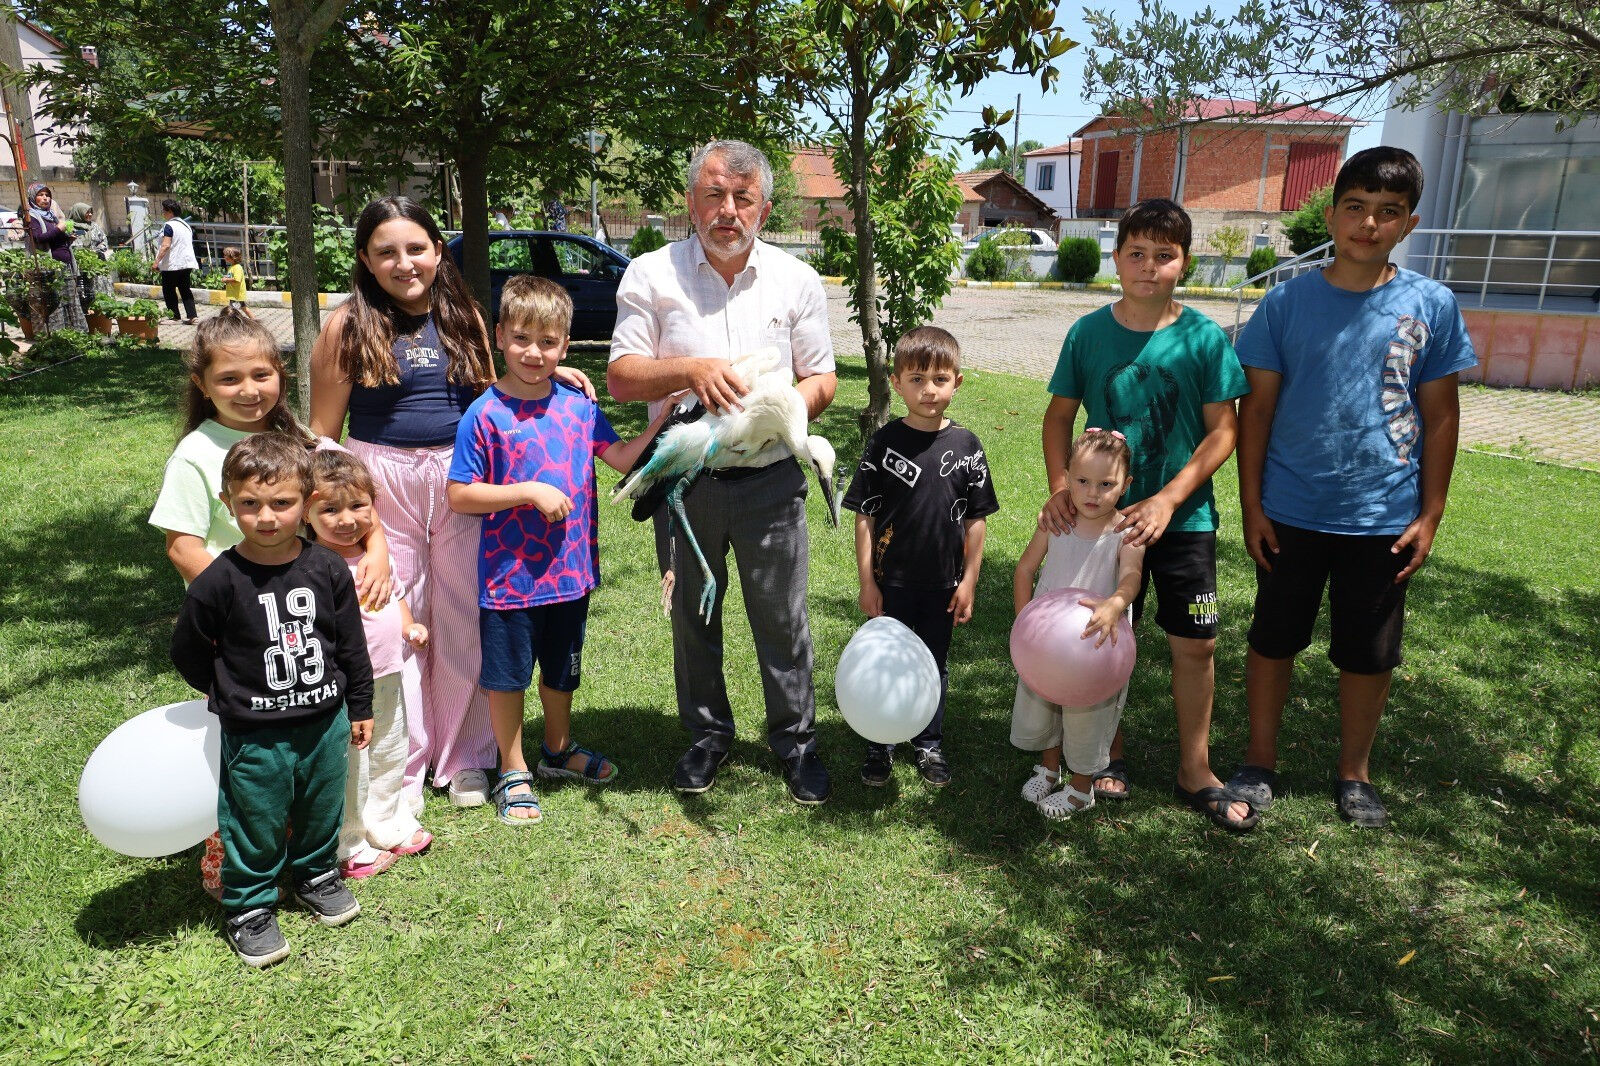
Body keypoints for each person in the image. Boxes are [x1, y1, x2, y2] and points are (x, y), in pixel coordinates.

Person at [309, 196, 593, 812]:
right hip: (381, 477)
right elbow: (323, 436)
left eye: (416, 248)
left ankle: (468, 755)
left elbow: (491, 392)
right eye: (386, 251)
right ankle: (401, 762)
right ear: (365, 259)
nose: (404, 262)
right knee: (394, 616)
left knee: (463, 614)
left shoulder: (462, 313)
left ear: (439, 251)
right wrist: (352, 521)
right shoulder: (345, 327)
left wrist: (551, 376)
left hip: (460, 479)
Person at [1228, 147, 1476, 828]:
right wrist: (1252, 506)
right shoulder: (1286, 303)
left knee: (1368, 653)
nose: (1369, 223)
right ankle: (1258, 759)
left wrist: (1431, 512)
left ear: (1409, 222)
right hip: (1290, 509)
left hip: (1383, 518)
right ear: (1333, 213)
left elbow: (1442, 416)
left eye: (1387, 212)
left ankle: (1355, 774)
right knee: (1274, 639)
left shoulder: (1431, 304)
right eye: (1356, 207)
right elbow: (1258, 413)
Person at [607, 139, 838, 805]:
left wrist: (784, 410)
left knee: (782, 621)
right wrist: (689, 371)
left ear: (765, 208)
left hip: (770, 482)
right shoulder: (651, 275)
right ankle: (707, 736)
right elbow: (622, 376)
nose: (727, 210)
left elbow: (821, 378)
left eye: (742, 198)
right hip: (688, 486)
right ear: (690, 202)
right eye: (714, 195)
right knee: (691, 619)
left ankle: (796, 744)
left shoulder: (796, 281)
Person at [150, 308, 391, 897]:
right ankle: (230, 870)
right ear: (203, 386)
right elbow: (182, 546)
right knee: (246, 762)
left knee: (304, 755)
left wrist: (379, 546)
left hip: (301, 633)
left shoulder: (298, 443)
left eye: (261, 374)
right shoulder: (195, 454)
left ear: (280, 374)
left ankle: (304, 861)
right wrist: (243, 606)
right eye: (229, 379)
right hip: (237, 636)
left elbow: (349, 493)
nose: (248, 390)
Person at [1040, 197, 1254, 831]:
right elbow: (1058, 417)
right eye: (1137, 253)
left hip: (1183, 522)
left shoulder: (1204, 338)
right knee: (1103, 637)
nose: (1149, 266)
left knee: (1197, 642)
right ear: (1116, 257)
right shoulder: (1088, 333)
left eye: (1165, 255)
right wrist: (1062, 486)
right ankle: (1106, 751)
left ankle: (1196, 767)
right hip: (1102, 524)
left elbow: (1224, 432)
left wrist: (1166, 499)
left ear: (1184, 263)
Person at [447, 276, 668, 825]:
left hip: (570, 575)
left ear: (565, 347)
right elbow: (459, 494)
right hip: (509, 580)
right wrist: (526, 492)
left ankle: (558, 749)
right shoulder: (485, 414)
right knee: (508, 675)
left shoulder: (578, 408)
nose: (533, 352)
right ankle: (514, 767)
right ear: (499, 336)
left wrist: (664, 424)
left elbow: (618, 457)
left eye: (548, 342)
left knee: (561, 670)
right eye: (521, 338)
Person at [170, 433, 374, 967]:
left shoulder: (327, 568)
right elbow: (189, 651)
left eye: (281, 503)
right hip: (255, 731)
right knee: (253, 818)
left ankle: (317, 875)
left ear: (305, 504)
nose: (266, 517)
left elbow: (350, 643)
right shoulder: (218, 582)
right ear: (227, 503)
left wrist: (361, 704)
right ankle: (249, 907)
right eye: (249, 504)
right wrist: (231, 694)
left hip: (325, 721)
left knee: (320, 806)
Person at [840, 325, 997, 789]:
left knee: (933, 662)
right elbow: (865, 516)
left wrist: (969, 580)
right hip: (891, 583)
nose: (928, 390)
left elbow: (976, 521)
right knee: (883, 661)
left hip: (943, 586)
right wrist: (868, 582)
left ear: (958, 382)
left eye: (940, 379)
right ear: (896, 382)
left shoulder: (967, 448)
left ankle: (928, 742)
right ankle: (879, 744)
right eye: (916, 379)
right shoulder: (884, 443)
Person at [1012, 429, 1156, 820]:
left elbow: (1131, 578)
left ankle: (1080, 788)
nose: (1093, 493)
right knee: (1046, 701)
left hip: (1096, 644)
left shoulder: (1127, 531)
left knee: (1087, 716)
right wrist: (1023, 625)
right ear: (1067, 476)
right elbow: (1025, 569)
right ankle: (1048, 766)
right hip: (1046, 643)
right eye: (1082, 481)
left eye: (1106, 484)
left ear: (1126, 485)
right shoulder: (1056, 521)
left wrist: (1116, 603)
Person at [308, 450, 435, 877]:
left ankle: (387, 821)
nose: (347, 519)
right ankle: (348, 841)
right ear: (306, 513)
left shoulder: (374, 556)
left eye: (358, 506)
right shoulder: (311, 567)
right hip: (344, 686)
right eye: (330, 509)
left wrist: (409, 626)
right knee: (350, 763)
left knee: (389, 751)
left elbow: (394, 595)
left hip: (388, 676)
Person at [21, 182, 87, 331]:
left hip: (64, 266)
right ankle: (56, 335)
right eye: (41, 195)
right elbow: (39, 238)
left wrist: (68, 238)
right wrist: (58, 229)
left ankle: (74, 333)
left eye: (47, 195)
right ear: (33, 197)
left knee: (69, 300)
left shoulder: (51, 216)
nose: (45, 198)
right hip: (49, 269)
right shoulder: (31, 217)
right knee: (54, 302)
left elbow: (56, 238)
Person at [154, 198, 199, 324]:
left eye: (164, 210)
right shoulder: (186, 225)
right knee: (185, 289)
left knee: (169, 290)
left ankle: (174, 317)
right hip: (186, 262)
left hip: (172, 264)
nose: (163, 213)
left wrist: (157, 261)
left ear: (169, 211)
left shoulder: (169, 225)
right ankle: (192, 316)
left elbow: (166, 245)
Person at [221, 246, 253, 317]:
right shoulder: (232, 267)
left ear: (232, 257)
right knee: (243, 308)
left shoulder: (237, 267)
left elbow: (237, 280)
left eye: (226, 255)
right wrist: (226, 278)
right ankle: (254, 321)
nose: (224, 256)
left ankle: (234, 323)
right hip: (234, 294)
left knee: (232, 311)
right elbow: (231, 277)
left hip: (236, 294)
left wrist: (226, 280)